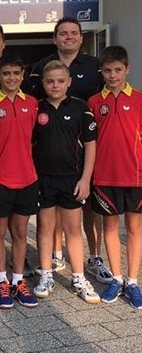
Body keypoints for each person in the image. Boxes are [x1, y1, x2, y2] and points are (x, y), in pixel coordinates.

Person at [30, 18, 109, 283]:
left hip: (80, 158)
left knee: (86, 213)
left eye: (74, 33)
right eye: (63, 33)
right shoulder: (40, 71)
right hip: (48, 164)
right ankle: (54, 258)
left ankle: (91, 261)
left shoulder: (94, 67)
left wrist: (86, 176)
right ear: (55, 38)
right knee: (48, 219)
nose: (69, 37)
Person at [32, 61, 100, 304]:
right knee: (44, 228)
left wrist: (85, 179)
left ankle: (78, 278)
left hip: (72, 179)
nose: (55, 85)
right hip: (43, 179)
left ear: (69, 82)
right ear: (43, 83)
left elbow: (91, 145)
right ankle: (46, 275)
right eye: (50, 81)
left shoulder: (81, 109)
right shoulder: (36, 109)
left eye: (60, 81)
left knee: (73, 229)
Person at [0, 53, 39, 309]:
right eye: (6, 74)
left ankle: (18, 280)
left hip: (27, 177)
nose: (11, 78)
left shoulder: (33, 103)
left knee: (20, 232)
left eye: (16, 73)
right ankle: (1, 280)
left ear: (23, 75)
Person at [88, 46, 142, 309]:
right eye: (108, 70)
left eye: (118, 70)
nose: (113, 75)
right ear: (102, 71)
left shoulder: (140, 100)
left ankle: (132, 281)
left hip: (135, 176)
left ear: (127, 69)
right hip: (104, 176)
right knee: (109, 228)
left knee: (134, 229)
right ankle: (116, 279)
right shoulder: (94, 102)